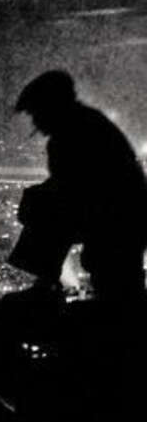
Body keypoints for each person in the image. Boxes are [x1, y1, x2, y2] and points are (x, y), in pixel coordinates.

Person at [10, 70, 147, 305]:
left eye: (36, 112)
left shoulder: (72, 134)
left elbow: (70, 192)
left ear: (50, 107)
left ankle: (46, 285)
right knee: (119, 286)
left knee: (117, 288)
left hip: (115, 219)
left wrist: (35, 204)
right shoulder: (86, 123)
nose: (35, 122)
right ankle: (48, 283)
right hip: (122, 218)